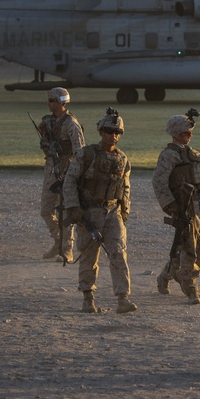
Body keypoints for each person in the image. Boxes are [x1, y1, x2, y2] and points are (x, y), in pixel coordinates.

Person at [62, 108, 135, 315]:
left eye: (117, 132)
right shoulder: (86, 155)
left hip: (113, 212)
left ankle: (123, 298)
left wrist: (124, 211)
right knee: (88, 256)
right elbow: (70, 181)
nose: (114, 135)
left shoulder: (122, 158)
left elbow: (125, 187)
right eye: (110, 131)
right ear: (101, 131)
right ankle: (88, 298)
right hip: (89, 213)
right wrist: (74, 208)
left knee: (119, 254)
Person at [153, 109, 200, 305]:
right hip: (184, 206)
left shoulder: (194, 154)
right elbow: (159, 182)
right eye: (184, 134)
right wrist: (170, 205)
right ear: (175, 134)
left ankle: (169, 274)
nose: (188, 137)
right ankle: (190, 286)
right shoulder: (168, 155)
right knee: (189, 247)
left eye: (190, 133)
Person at [37, 87, 84, 263]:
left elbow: (80, 151)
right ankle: (58, 241)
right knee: (46, 210)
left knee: (65, 210)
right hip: (50, 170)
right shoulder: (49, 122)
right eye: (49, 100)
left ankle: (67, 248)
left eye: (52, 100)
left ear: (62, 102)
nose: (49, 103)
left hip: (67, 170)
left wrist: (73, 173)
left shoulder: (71, 124)